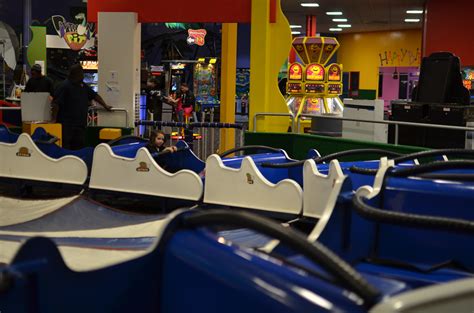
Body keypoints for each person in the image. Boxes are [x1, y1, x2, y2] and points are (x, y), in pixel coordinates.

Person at [52, 64, 112, 150]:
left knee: (79, 147)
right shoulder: (64, 86)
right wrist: (54, 119)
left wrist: (105, 105)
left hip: (80, 124)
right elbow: (56, 104)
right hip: (67, 125)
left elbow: (95, 96)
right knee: (66, 147)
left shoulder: (82, 85)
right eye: (81, 73)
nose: (83, 75)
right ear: (75, 74)